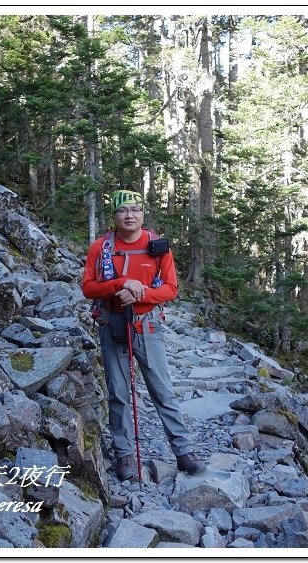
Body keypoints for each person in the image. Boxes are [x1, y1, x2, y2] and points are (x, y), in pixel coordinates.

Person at [82, 189, 206, 481]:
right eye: (123, 210)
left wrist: (141, 292)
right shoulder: (100, 248)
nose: (129, 215)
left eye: (135, 209)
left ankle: (183, 452)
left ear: (143, 214)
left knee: (162, 391)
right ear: (114, 216)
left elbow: (171, 288)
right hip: (113, 323)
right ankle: (125, 455)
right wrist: (121, 284)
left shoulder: (157, 246)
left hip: (147, 324)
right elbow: (88, 288)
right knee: (119, 392)